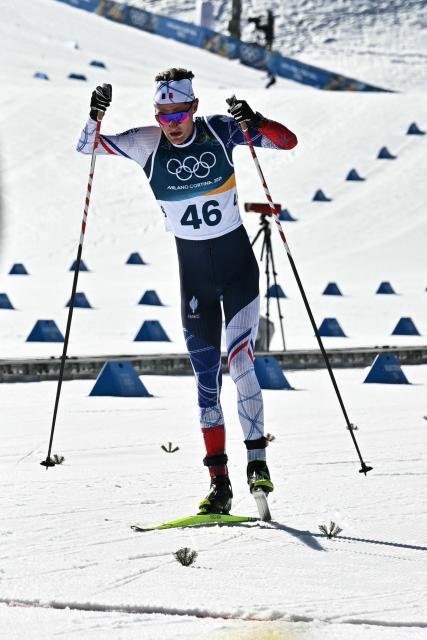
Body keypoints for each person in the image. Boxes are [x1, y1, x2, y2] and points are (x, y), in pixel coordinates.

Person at [77, 68, 297, 515]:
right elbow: (87, 148)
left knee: (241, 365)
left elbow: (287, 142)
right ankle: (220, 483)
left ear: (193, 108)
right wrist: (95, 115)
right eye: (163, 113)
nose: (171, 122)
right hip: (193, 278)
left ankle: (257, 463)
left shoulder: (220, 130)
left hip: (238, 269)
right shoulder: (146, 143)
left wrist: (255, 122)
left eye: (178, 112)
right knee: (205, 381)